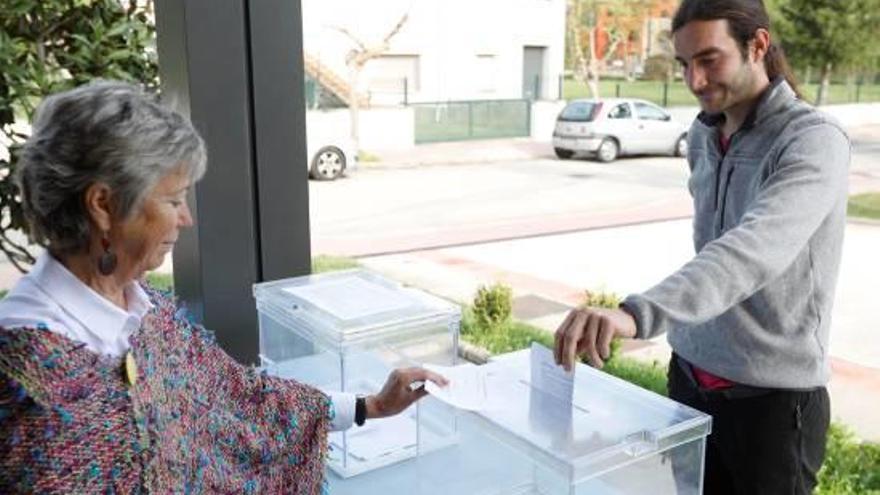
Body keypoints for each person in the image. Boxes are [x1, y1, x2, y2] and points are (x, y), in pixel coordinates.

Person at [0, 81, 445, 494]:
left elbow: (240, 398)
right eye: (173, 200)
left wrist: (372, 406)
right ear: (103, 204)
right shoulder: (24, 374)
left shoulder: (147, 309)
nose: (186, 218)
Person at [553, 0, 850, 493]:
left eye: (709, 60)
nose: (694, 80)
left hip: (772, 404)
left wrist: (635, 314)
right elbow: (708, 248)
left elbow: (751, 250)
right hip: (688, 380)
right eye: (684, 64)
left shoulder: (812, 141)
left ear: (757, 45)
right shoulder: (701, 134)